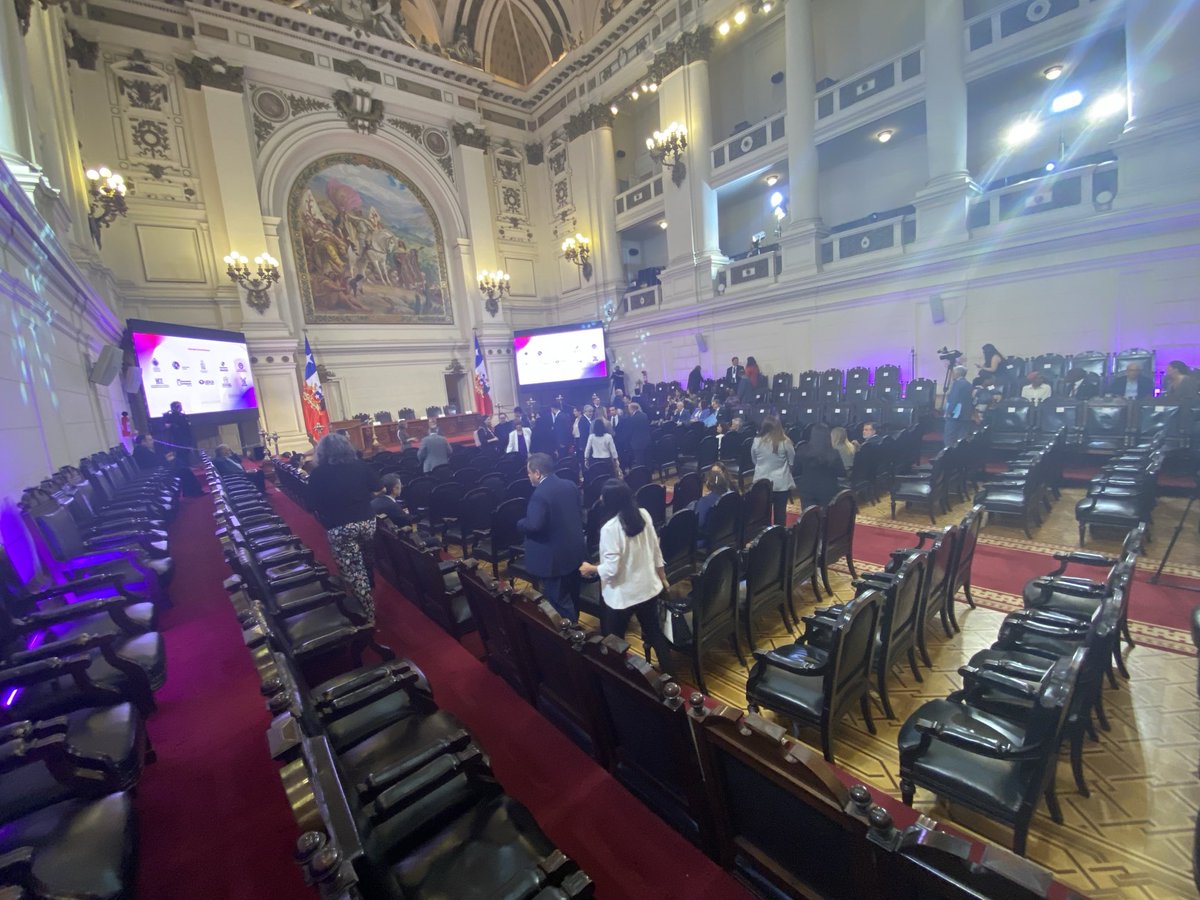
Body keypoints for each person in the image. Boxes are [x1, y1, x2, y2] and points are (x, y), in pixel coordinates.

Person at [579, 480, 673, 669]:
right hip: (648, 588)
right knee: (655, 633)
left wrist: (591, 568)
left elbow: (612, 570)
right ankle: (671, 676)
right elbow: (656, 550)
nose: (600, 499)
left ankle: (619, 675)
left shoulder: (610, 529)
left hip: (622, 596)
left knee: (614, 639)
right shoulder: (643, 514)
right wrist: (663, 577)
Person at [306, 433, 382, 621]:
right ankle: (369, 580)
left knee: (354, 571)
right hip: (366, 522)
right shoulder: (360, 466)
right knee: (366, 558)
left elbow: (311, 505)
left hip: (340, 527)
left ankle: (368, 614)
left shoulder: (318, 474)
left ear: (322, 452)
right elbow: (379, 488)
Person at [518, 453, 587, 621]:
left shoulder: (540, 494)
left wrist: (520, 523)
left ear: (537, 473)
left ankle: (570, 639)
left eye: (529, 473)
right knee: (573, 595)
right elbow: (578, 513)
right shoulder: (570, 485)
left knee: (559, 602)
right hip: (574, 551)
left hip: (553, 560)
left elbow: (534, 525)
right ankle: (576, 629)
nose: (528, 477)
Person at [751, 416, 795, 525]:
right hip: (781, 484)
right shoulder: (785, 441)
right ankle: (779, 538)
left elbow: (754, 460)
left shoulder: (757, 441)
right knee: (780, 516)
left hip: (761, 483)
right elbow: (792, 461)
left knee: (762, 515)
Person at [794, 424, 847, 509]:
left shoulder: (802, 450)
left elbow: (796, 471)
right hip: (828, 490)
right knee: (825, 516)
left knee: (808, 516)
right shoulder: (834, 453)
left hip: (807, 489)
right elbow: (842, 473)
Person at [693, 465, 732, 542]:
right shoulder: (731, 497)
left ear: (708, 484)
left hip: (708, 541)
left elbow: (699, 524)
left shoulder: (705, 501)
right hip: (726, 536)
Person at [942, 365, 973, 447]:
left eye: (953, 373)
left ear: (957, 374)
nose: (952, 374)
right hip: (966, 414)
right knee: (962, 437)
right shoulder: (969, 384)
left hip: (955, 414)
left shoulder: (957, 383)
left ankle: (948, 455)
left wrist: (948, 412)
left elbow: (954, 399)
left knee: (949, 436)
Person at [626, 401, 652, 468]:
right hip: (647, 440)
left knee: (640, 462)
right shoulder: (644, 415)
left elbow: (630, 431)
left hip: (637, 443)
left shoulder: (632, 418)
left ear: (632, 409)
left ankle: (643, 476)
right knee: (648, 460)